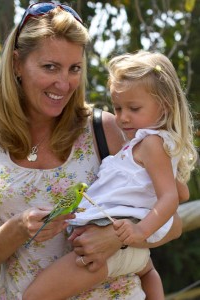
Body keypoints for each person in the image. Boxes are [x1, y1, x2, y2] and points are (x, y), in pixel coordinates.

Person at [0, 2, 187, 299]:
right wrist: (15, 230)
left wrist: (116, 239)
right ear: (16, 64)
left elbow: (173, 223)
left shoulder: (108, 128)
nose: (64, 83)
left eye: (74, 68)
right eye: (50, 66)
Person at [23, 51, 197, 300]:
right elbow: (181, 192)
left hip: (106, 240)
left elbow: (169, 197)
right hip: (122, 242)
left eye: (134, 108)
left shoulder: (151, 144)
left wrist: (140, 232)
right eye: (117, 107)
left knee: (35, 295)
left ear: (164, 106)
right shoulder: (142, 145)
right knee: (147, 271)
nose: (123, 117)